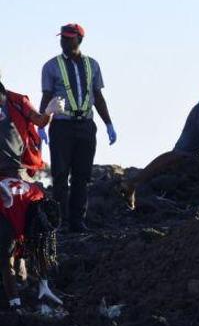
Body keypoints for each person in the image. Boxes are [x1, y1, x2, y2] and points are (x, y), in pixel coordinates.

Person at [40, 23, 116, 233]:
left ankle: (77, 221)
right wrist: (41, 124)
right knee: (60, 175)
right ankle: (60, 222)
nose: (64, 41)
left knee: (82, 176)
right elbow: (46, 96)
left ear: (79, 39)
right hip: (62, 127)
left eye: (69, 38)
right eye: (63, 38)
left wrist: (108, 123)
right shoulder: (51, 66)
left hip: (85, 126)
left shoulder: (93, 65)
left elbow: (98, 97)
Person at [1, 177, 63, 309]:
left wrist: (44, 283)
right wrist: (15, 303)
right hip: (5, 212)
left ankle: (20, 286)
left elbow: (41, 247)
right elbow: (7, 261)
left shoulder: (40, 199)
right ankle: (12, 299)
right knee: (7, 253)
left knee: (21, 254)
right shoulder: (12, 216)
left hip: (17, 205)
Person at [1, 82, 63, 179]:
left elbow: (40, 121)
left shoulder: (17, 101)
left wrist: (48, 111)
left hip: (16, 169)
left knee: (32, 193)